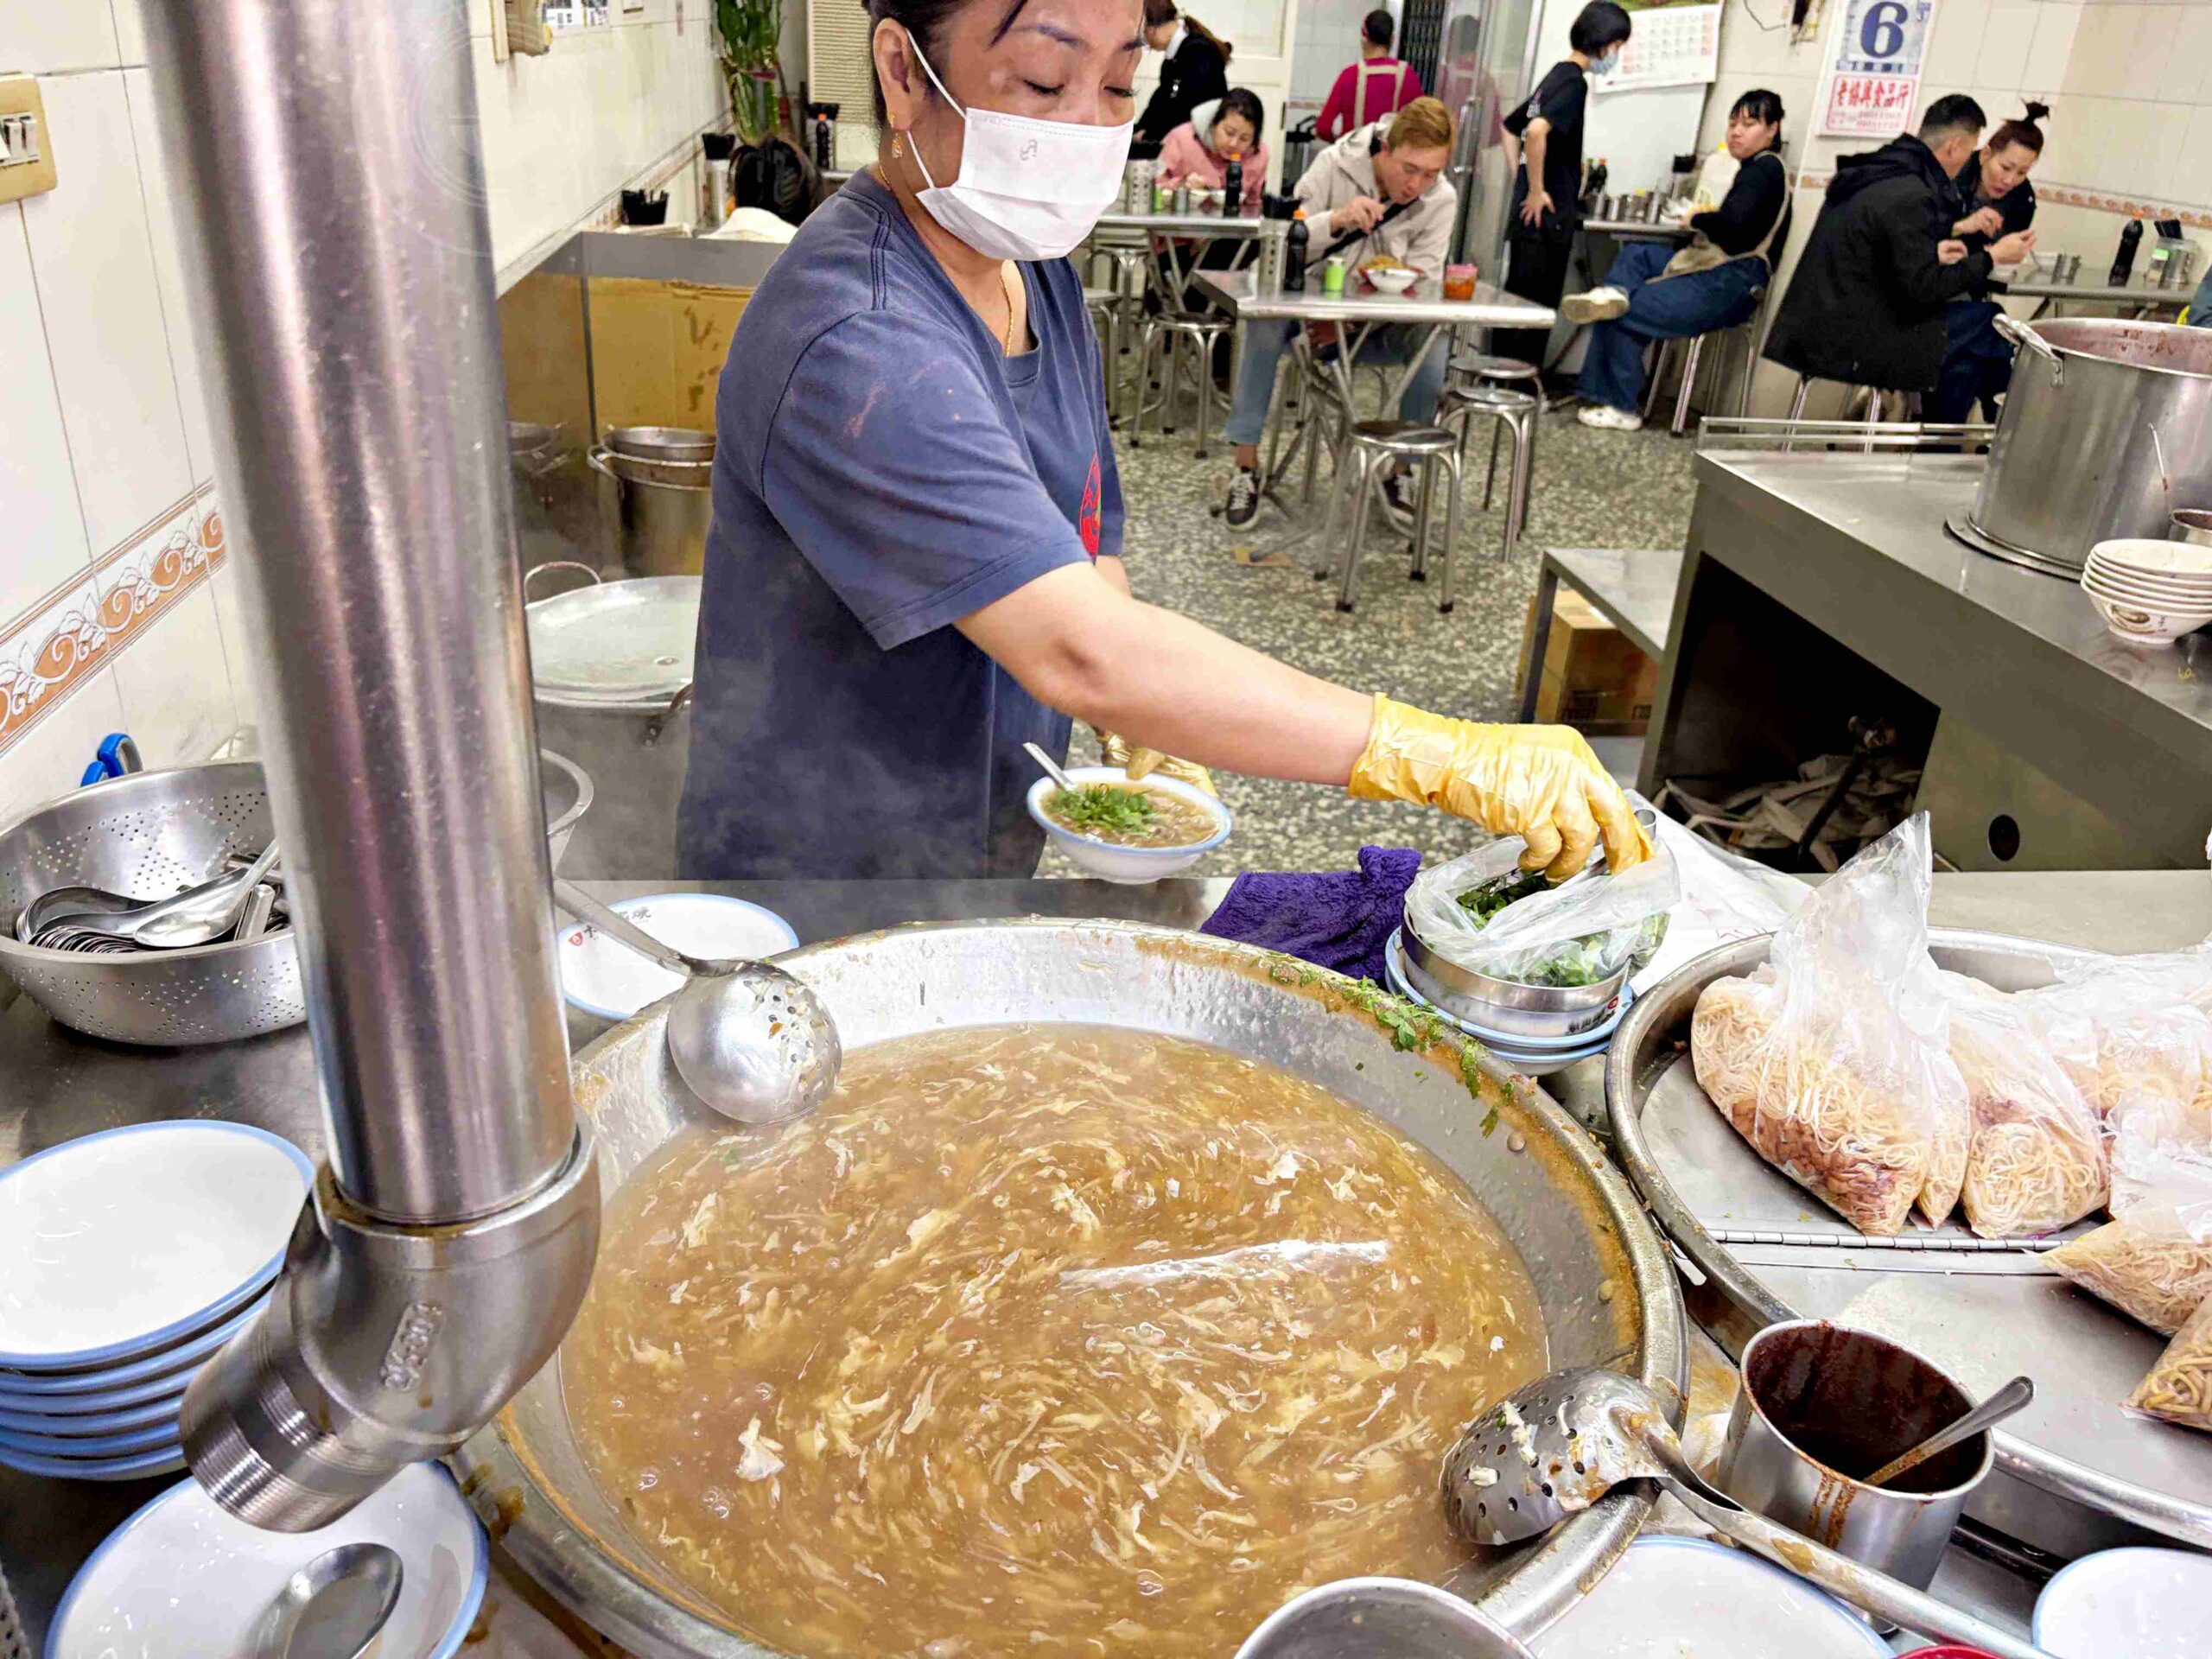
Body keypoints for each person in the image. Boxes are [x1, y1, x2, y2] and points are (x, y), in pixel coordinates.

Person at [679, 0, 1648, 886]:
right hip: (813, 882)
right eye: (1044, 81)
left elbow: (1085, 534)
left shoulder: (1030, 270)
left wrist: (1139, 705)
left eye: (1116, 85)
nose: (1090, 128)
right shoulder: (858, 336)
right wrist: (1438, 754)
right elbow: (1078, 651)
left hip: (968, 843)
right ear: (901, 70)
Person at [1218, 98, 1459, 530]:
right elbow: (1282, 235)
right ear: (1386, 147)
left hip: (1376, 324)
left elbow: (1425, 279)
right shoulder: (1336, 163)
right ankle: (1245, 467)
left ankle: (1402, 471)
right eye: (1409, 169)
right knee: (1264, 321)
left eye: (1431, 174)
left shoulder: (1441, 199)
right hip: (1305, 315)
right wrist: (1337, 219)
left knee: (1435, 337)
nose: (1417, 185)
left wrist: (1358, 312)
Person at [1763, 94, 2034, 402]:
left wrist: (1938, 247)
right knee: (1991, 321)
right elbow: (1924, 288)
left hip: (1815, 322)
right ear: (1955, 146)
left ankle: (1953, 435)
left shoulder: (1878, 171)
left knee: (1968, 352)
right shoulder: (1914, 192)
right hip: (1855, 338)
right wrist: (1992, 257)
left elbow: (1880, 250)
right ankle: (1986, 426)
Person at [1567, 89, 1792, 431]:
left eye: (1748, 124)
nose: (1736, 131)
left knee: (1622, 311)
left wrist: (1697, 219)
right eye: (1732, 123)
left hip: (1732, 282)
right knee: (1637, 253)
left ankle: (1622, 407)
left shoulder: (1763, 173)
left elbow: (1733, 230)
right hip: (1717, 269)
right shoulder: (1756, 169)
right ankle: (1611, 293)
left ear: (1772, 129)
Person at [1494, 1, 1632, 372]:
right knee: (1535, 313)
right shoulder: (1574, 83)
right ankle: (1519, 388)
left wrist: (1523, 180)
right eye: (1619, 47)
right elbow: (1535, 131)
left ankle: (1498, 381)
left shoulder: (1556, 74)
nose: (1617, 55)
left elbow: (1511, 129)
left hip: (1530, 219)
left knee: (1515, 306)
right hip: (1547, 221)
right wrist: (1537, 189)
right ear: (1606, 44)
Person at [1928, 103, 2045, 423]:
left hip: (1964, 299)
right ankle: (2003, 437)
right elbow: (1918, 241)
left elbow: (1992, 260)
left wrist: (2002, 253)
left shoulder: (2021, 199)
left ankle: (1942, 454)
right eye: (2005, 168)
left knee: (1967, 365)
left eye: (2022, 173)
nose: (2010, 180)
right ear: (1985, 154)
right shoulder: (1949, 177)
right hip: (1923, 296)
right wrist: (1963, 227)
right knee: (1996, 325)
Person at [1133, 0, 1230, 153]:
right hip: (1181, 138)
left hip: (1198, 144)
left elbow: (1187, 107)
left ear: (1152, 29)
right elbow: (1161, 98)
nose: (1146, 42)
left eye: (1143, 34)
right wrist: (1141, 128)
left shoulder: (1199, 53)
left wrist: (1151, 133)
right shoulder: (1176, 56)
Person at [1317, 9, 1425, 141]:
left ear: (1364, 37)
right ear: (1392, 38)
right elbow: (1423, 125)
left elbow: (1323, 128)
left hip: (1351, 158)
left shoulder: (1350, 75)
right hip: (1391, 158)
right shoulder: (1407, 75)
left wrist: (1341, 144)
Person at [1154, 88, 1268, 213]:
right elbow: (1154, 188)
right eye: (1229, 132)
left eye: (1244, 138)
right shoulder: (1181, 139)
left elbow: (1253, 205)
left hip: (1231, 228)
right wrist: (1181, 185)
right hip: (1179, 225)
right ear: (1214, 124)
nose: (1234, 143)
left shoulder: (1258, 155)